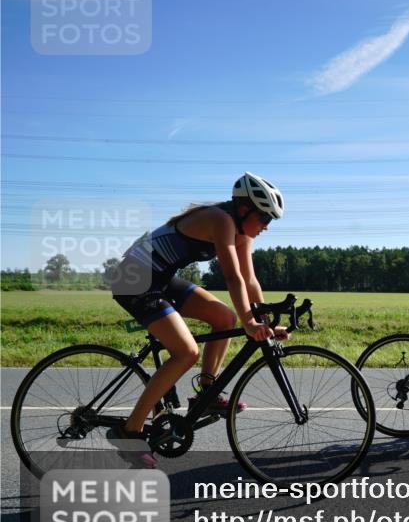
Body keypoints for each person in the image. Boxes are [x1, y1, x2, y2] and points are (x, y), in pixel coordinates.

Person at [108, 173, 286, 467]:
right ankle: (130, 431)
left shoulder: (241, 232)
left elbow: (250, 281)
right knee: (186, 352)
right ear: (245, 209)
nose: (267, 226)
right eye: (265, 218)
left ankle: (207, 393)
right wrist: (250, 322)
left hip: (161, 278)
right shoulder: (220, 220)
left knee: (225, 318)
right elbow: (232, 277)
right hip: (134, 280)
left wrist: (263, 323)